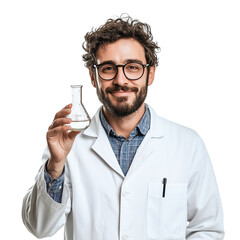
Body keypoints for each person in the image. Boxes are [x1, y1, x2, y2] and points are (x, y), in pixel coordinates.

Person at [22, 15, 224, 240]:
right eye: (108, 68)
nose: (121, 79)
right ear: (93, 76)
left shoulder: (187, 144)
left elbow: (208, 229)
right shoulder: (68, 146)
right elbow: (39, 227)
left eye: (133, 67)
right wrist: (55, 165)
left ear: (150, 74)